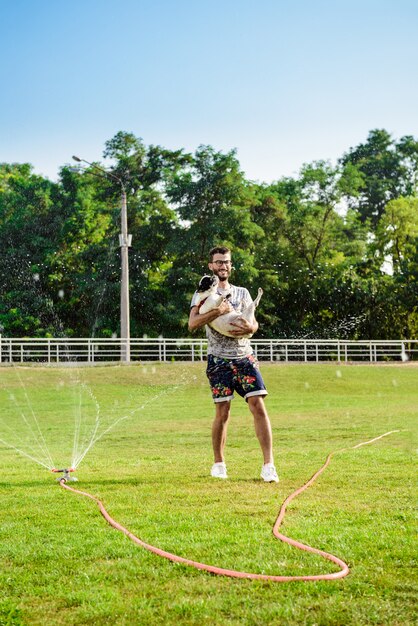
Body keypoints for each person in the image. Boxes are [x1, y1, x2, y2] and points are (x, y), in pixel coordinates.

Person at [188, 246, 279, 482]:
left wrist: (252, 328)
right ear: (211, 266)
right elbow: (192, 323)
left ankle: (269, 465)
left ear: (231, 265)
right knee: (223, 412)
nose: (222, 266)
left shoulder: (242, 292)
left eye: (226, 262)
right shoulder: (202, 295)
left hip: (244, 357)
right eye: (218, 262)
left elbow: (254, 324)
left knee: (258, 405)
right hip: (218, 359)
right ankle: (219, 464)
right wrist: (216, 311)